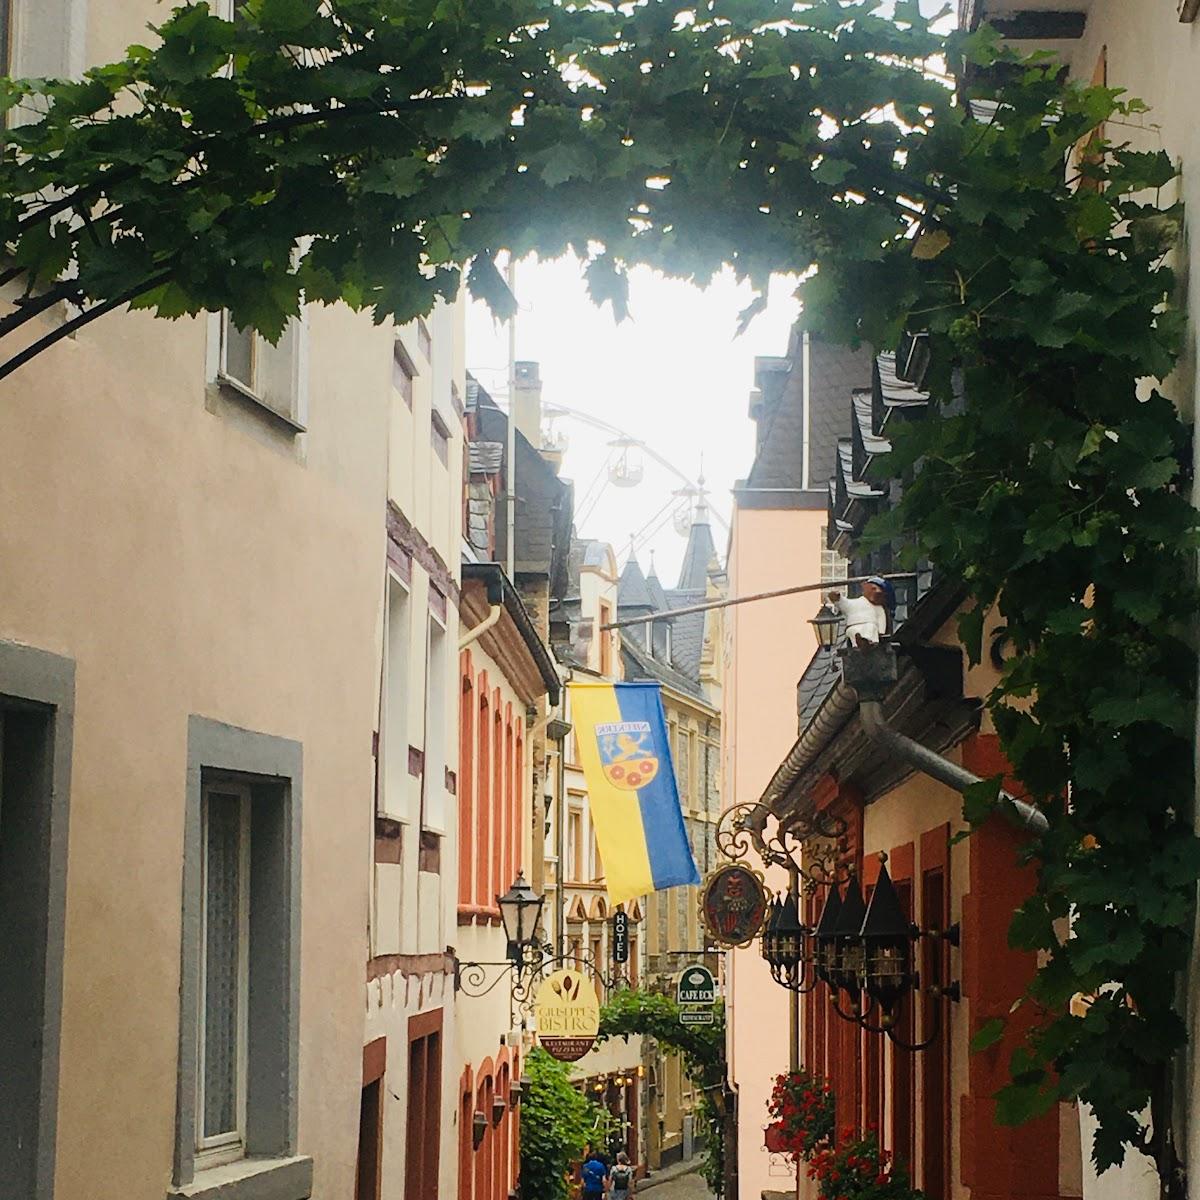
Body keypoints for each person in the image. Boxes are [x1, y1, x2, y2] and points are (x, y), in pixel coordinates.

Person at [826, 576, 895, 646]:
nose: (876, 592)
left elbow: (881, 619)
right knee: (853, 631)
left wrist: (881, 631)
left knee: (870, 629)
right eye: (873, 589)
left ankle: (867, 642)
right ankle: (859, 643)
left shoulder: (878, 608)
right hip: (853, 625)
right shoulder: (854, 602)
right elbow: (844, 603)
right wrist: (838, 598)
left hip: (870, 624)